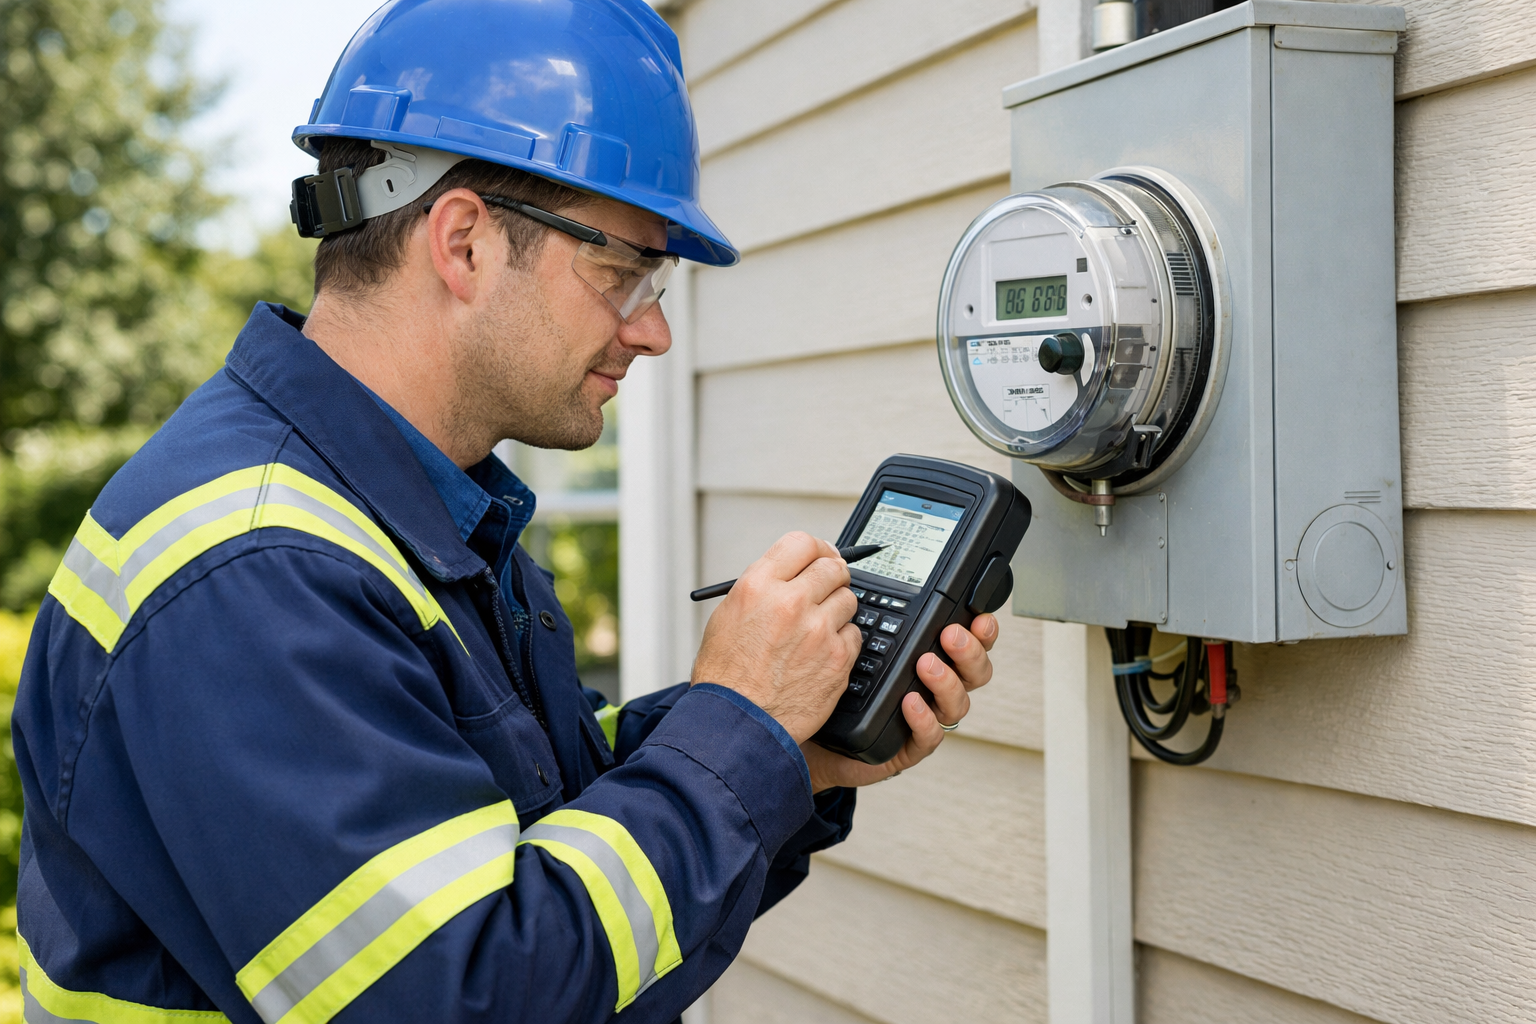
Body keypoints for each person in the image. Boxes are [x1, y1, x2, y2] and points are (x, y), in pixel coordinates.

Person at [11, 2, 999, 1022]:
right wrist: (736, 727)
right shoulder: (257, 572)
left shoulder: (409, 513)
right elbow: (471, 991)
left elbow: (538, 829)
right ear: (465, 243)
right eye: (624, 275)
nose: (652, 330)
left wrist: (793, 750)